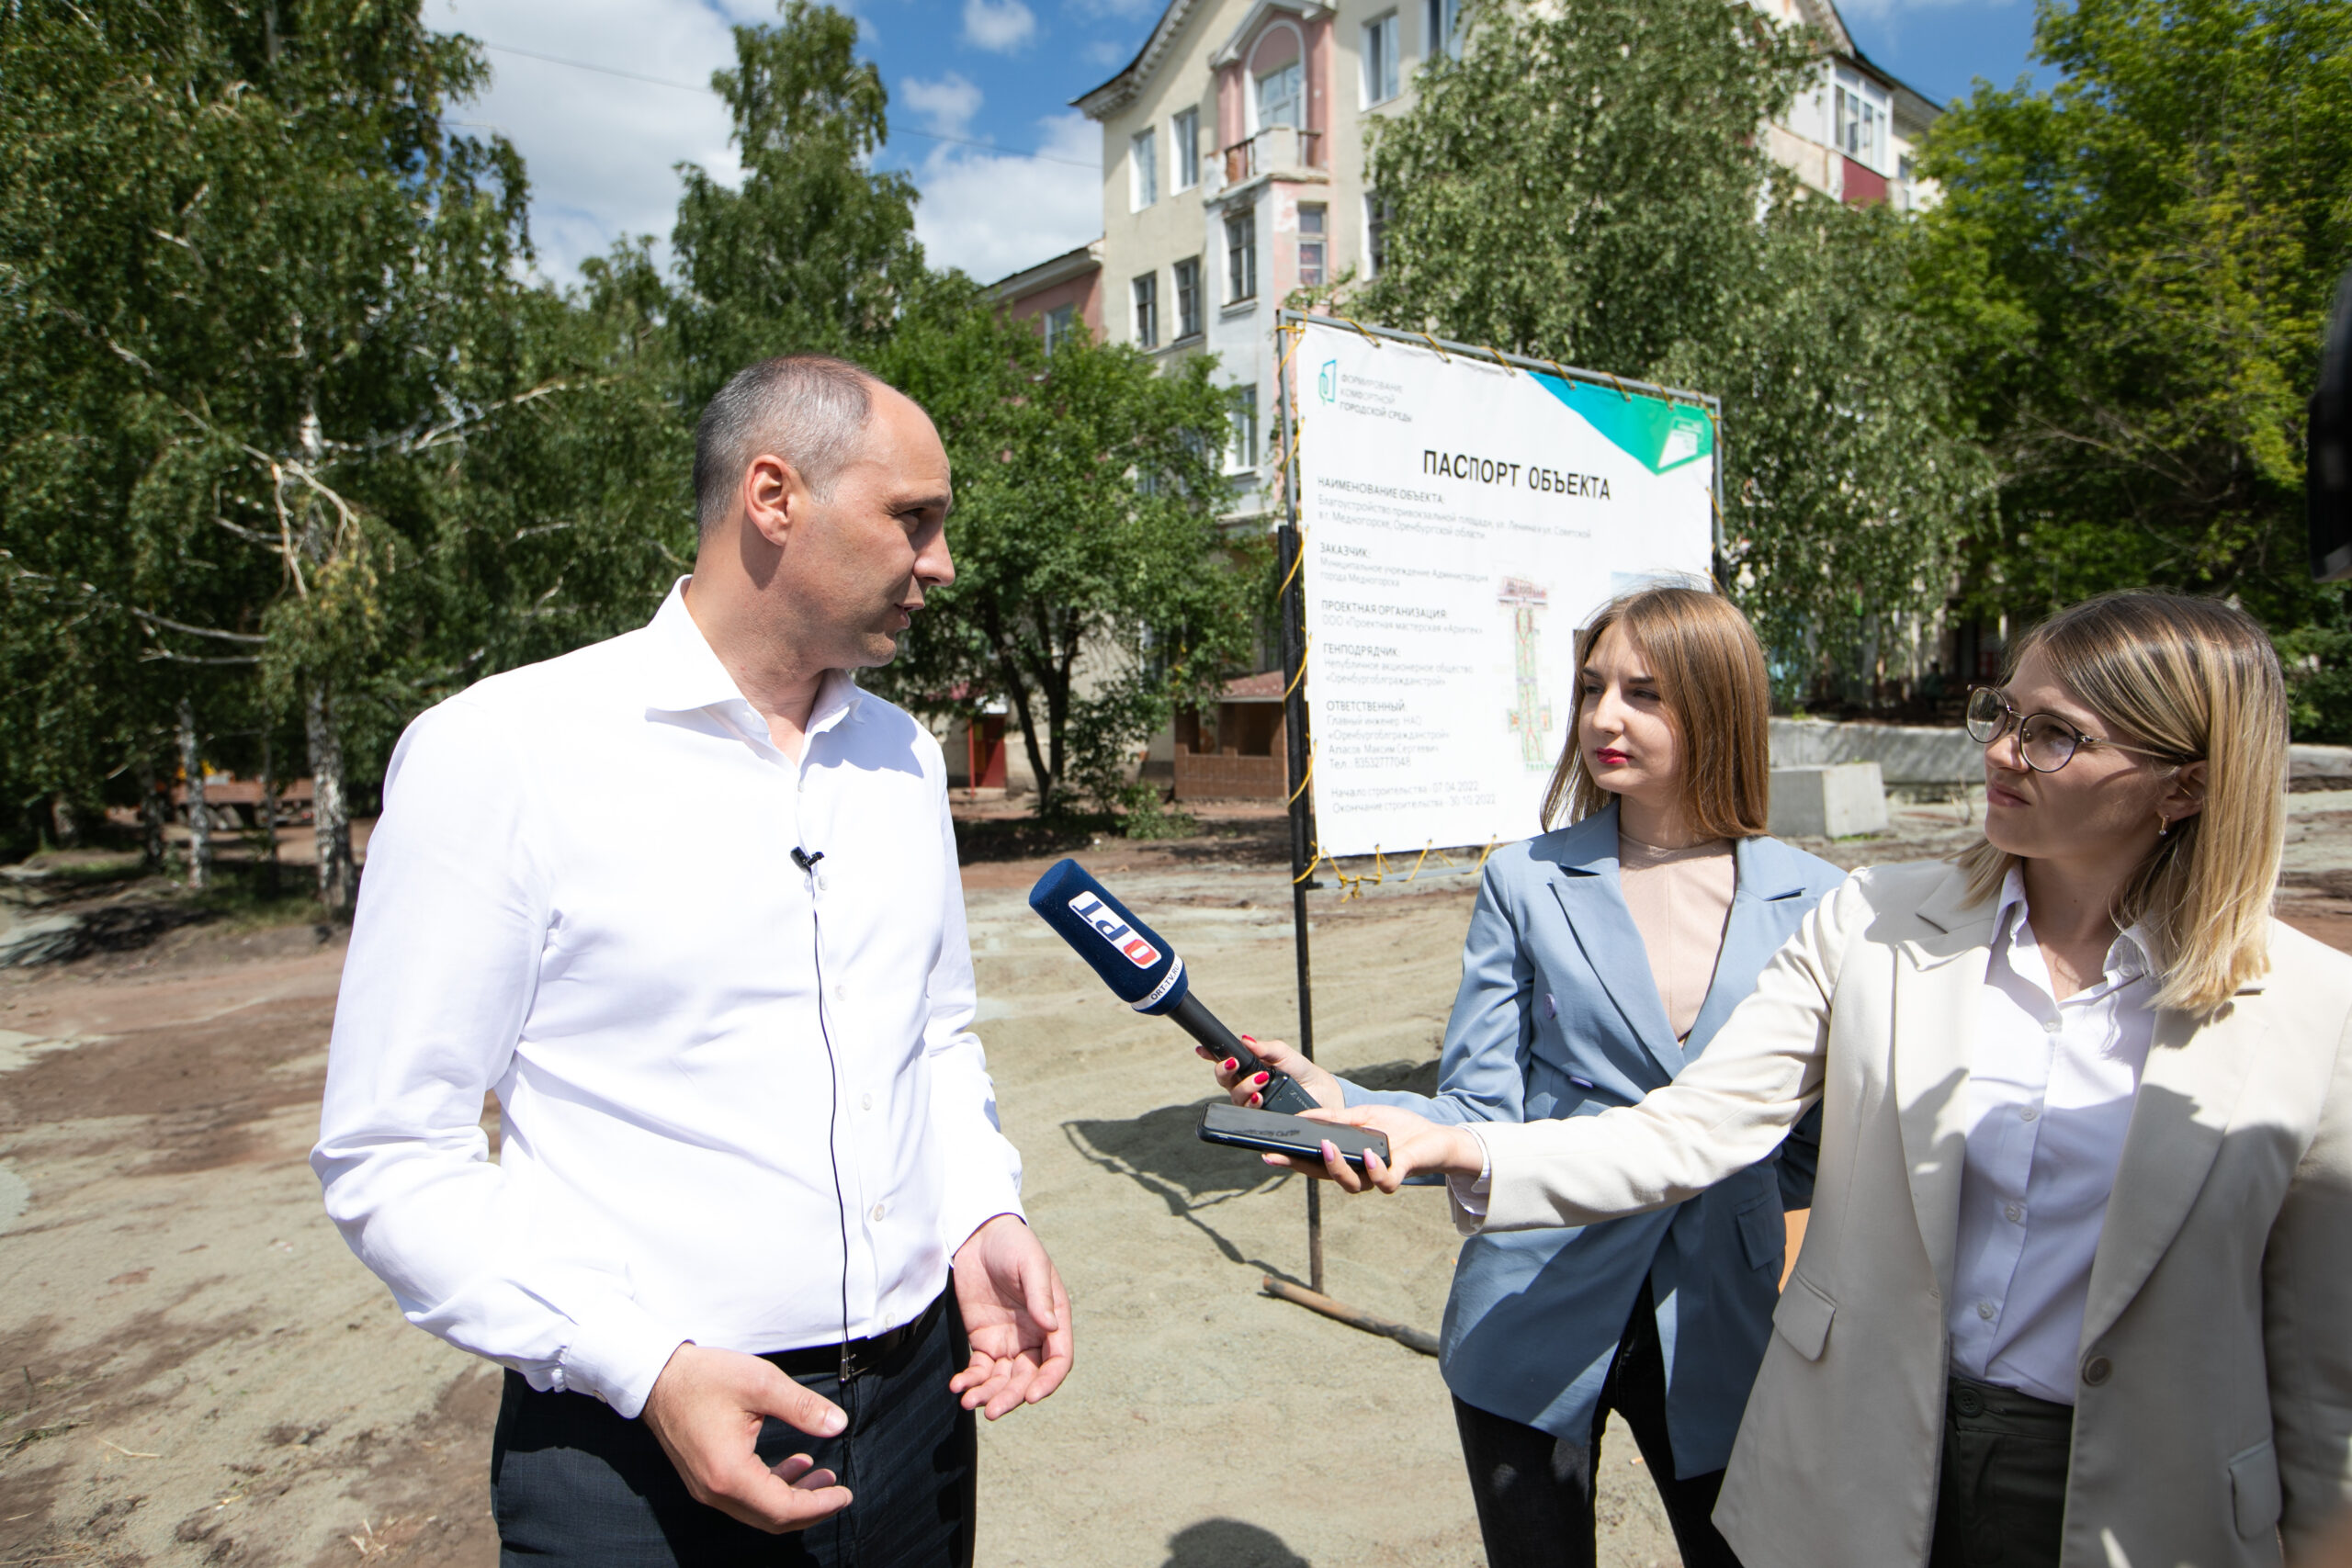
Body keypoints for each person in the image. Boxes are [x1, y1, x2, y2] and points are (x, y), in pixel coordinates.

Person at [1283, 591, 2352, 1568]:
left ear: (2189, 782)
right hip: (1879, 1446)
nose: (2002, 754)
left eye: (2055, 734)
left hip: (2142, 1501)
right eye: (2001, 713)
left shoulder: (2316, 1010)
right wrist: (1452, 1141)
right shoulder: (1877, 920)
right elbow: (1694, 1124)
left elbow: (2320, 1371)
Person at [311, 355, 1073, 1568]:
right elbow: (391, 1150)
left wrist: (979, 1205)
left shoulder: (903, 757)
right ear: (774, 497)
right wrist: (645, 1365)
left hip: (920, 1404)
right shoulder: (503, 753)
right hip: (633, 1444)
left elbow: (931, 1032)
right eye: (912, 518)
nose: (939, 561)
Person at [1209, 584, 1841, 1568]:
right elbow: (1476, 1106)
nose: (1602, 718)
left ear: (1718, 704)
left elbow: (1810, 1136)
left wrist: (1750, 1208)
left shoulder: (1822, 901)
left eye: (1644, 692)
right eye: (1592, 687)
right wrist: (1350, 1105)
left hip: (1729, 1316)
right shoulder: (1526, 880)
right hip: (1532, 1299)